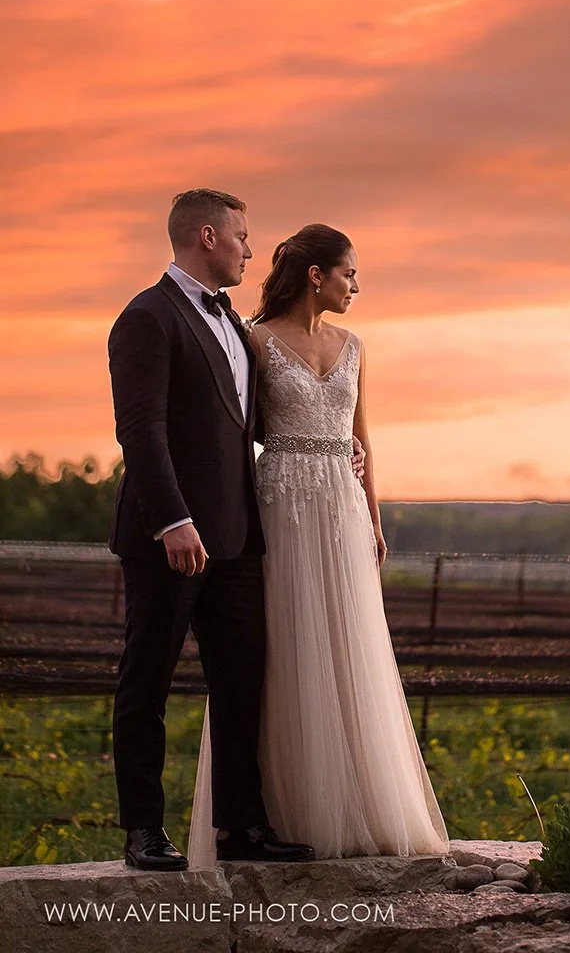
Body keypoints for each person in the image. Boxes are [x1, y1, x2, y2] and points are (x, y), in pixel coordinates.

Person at [108, 189, 364, 870]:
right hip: (170, 539)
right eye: (243, 237)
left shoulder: (237, 329)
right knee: (148, 683)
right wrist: (172, 520)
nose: (253, 250)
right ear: (207, 236)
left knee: (244, 682)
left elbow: (253, 427)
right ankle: (142, 831)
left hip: (238, 538)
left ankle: (241, 827)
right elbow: (140, 429)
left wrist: (339, 446)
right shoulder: (146, 318)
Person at [187, 224, 448, 864]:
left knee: (348, 643)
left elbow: (364, 436)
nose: (356, 285)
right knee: (285, 647)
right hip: (279, 503)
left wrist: (375, 518)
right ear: (316, 275)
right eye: (349, 273)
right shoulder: (256, 340)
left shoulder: (355, 345)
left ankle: (359, 802)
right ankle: (279, 811)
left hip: (341, 506)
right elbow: (234, 426)